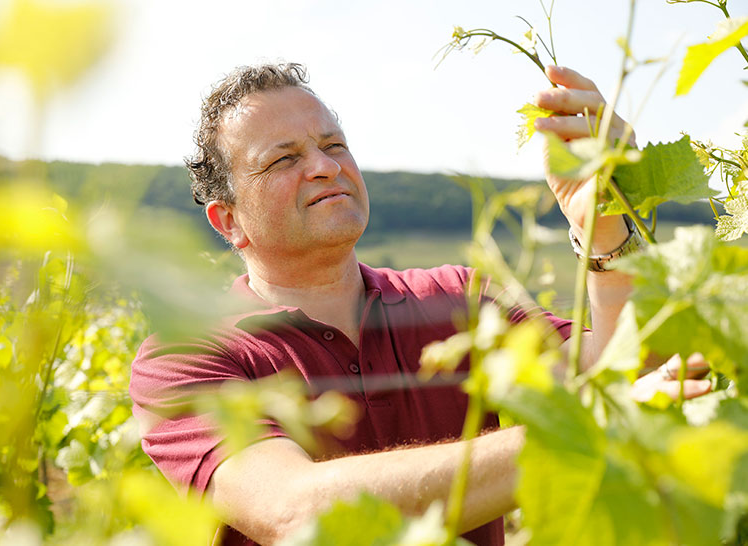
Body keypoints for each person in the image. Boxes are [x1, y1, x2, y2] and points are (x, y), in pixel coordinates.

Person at [129, 63, 711, 545]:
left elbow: (622, 368)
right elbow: (297, 513)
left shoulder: (458, 298)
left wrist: (607, 229)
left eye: (334, 145)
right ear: (228, 221)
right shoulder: (187, 356)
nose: (326, 166)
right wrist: (583, 431)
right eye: (283, 159)